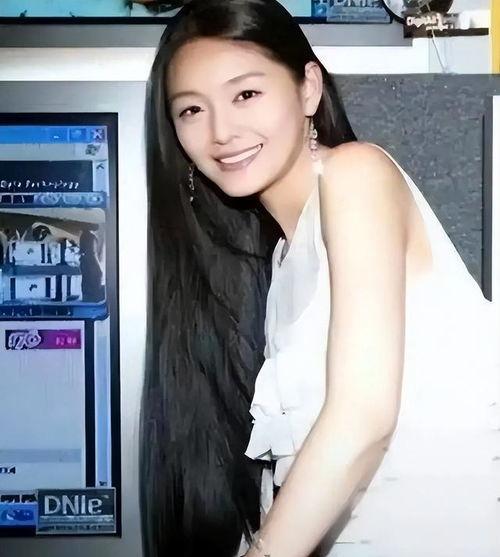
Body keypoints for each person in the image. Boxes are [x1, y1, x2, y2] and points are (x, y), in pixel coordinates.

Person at [139, 1, 500, 556]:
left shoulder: (355, 175)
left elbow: (362, 417)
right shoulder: (282, 264)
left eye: (245, 94)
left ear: (308, 89)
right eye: (191, 109)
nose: (221, 131)